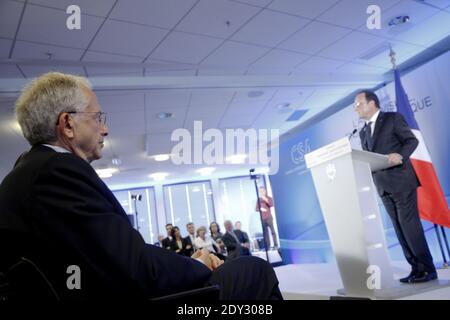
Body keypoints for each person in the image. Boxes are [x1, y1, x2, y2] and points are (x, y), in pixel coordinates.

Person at [0, 72, 283, 300]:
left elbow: (112, 255)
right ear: (68, 124)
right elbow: (135, 270)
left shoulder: (26, 174)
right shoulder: (58, 171)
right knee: (255, 270)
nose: (105, 129)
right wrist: (196, 264)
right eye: (98, 117)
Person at [354, 90, 436, 283]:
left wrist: (400, 155)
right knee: (399, 228)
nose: (356, 109)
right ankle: (415, 268)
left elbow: (411, 141)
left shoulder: (392, 119)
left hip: (401, 181)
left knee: (410, 227)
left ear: (371, 103)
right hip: (383, 186)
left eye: (359, 105)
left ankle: (428, 268)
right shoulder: (364, 130)